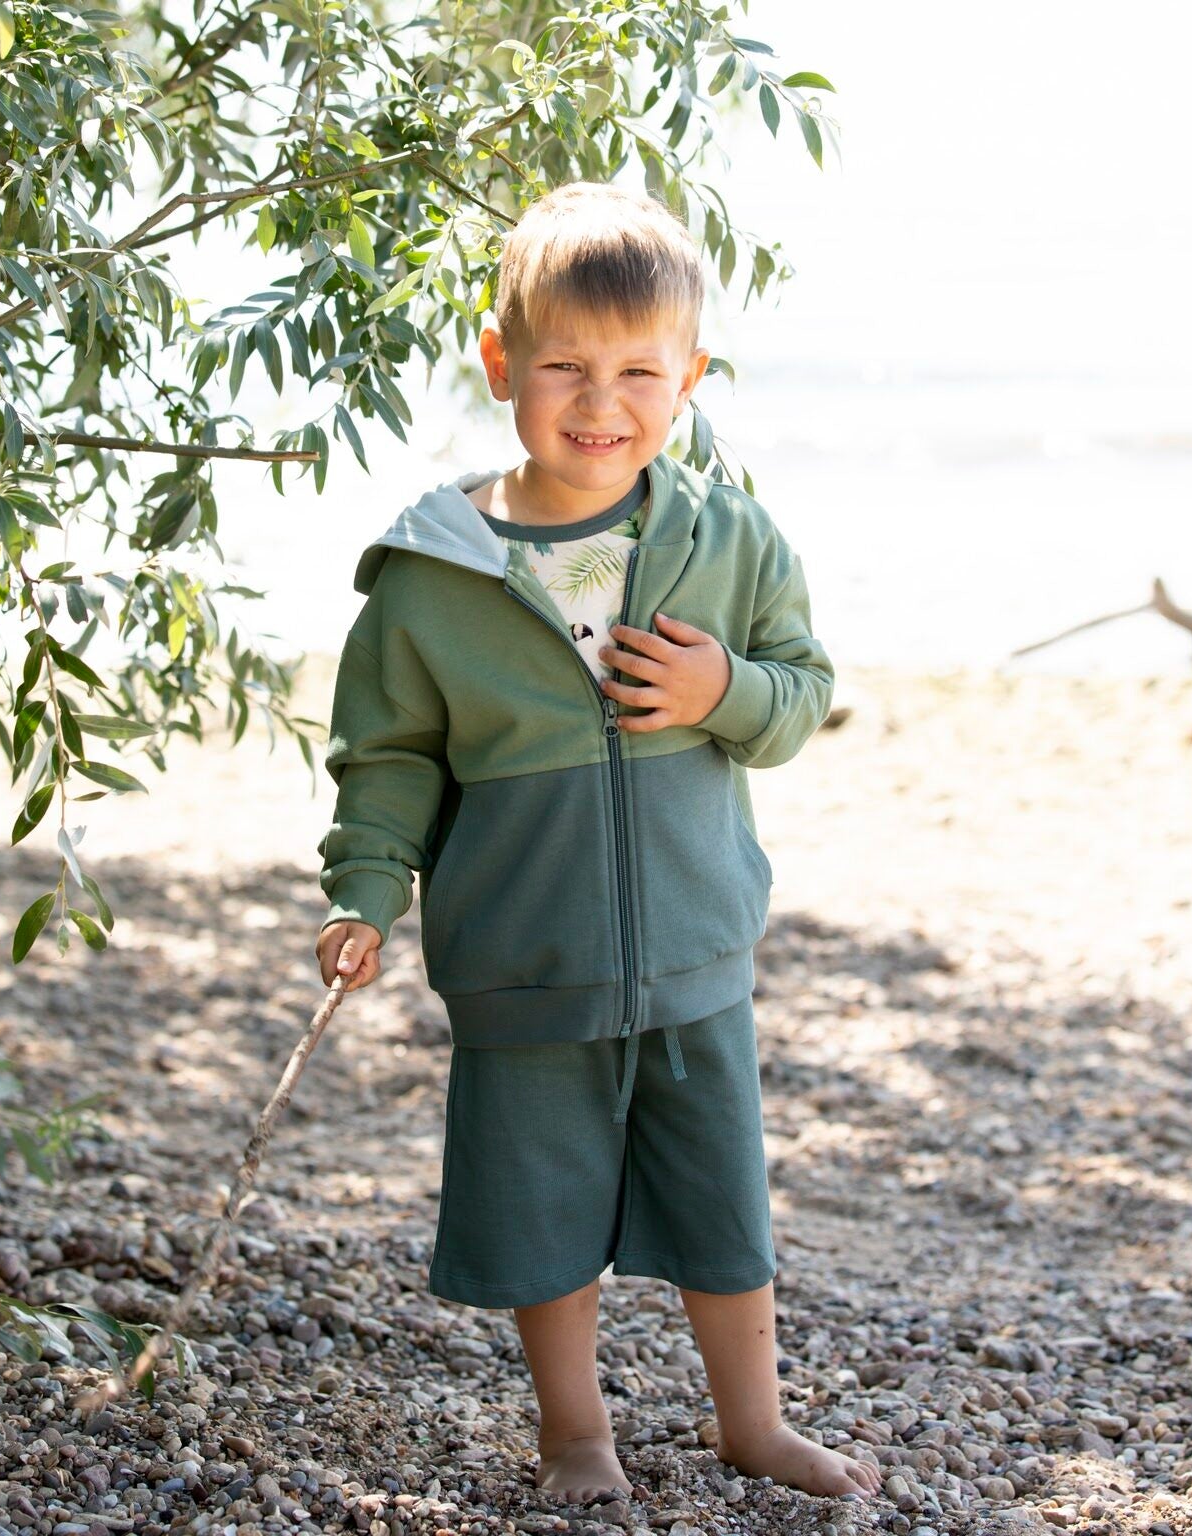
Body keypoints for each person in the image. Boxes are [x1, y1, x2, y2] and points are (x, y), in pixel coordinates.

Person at [314, 180, 875, 1506]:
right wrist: (365, 891)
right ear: (502, 360)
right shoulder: (430, 575)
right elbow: (387, 757)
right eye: (563, 365)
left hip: (694, 954)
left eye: (638, 371)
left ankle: (755, 1421)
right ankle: (576, 1434)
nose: (599, 402)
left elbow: (801, 694)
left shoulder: (726, 539)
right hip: (526, 961)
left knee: (722, 1213)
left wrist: (719, 691)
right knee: (541, 1207)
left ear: (688, 377)